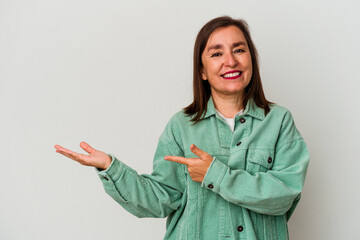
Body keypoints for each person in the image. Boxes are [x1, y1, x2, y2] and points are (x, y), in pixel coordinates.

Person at [54, 16, 309, 240]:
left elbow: (284, 194)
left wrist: (216, 175)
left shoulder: (279, 121)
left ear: (251, 60)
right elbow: (159, 199)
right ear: (203, 71)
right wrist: (110, 167)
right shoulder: (181, 126)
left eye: (239, 50)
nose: (230, 61)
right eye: (217, 53)